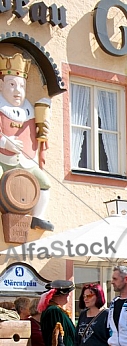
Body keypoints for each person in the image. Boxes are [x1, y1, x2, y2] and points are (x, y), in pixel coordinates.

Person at [0, 52, 52, 231]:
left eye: (21, 86)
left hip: (25, 162)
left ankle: (38, 216)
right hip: (3, 160)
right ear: (1, 85)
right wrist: (4, 142)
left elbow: (33, 137)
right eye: (12, 85)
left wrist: (42, 130)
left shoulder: (29, 111)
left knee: (44, 183)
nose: (17, 91)